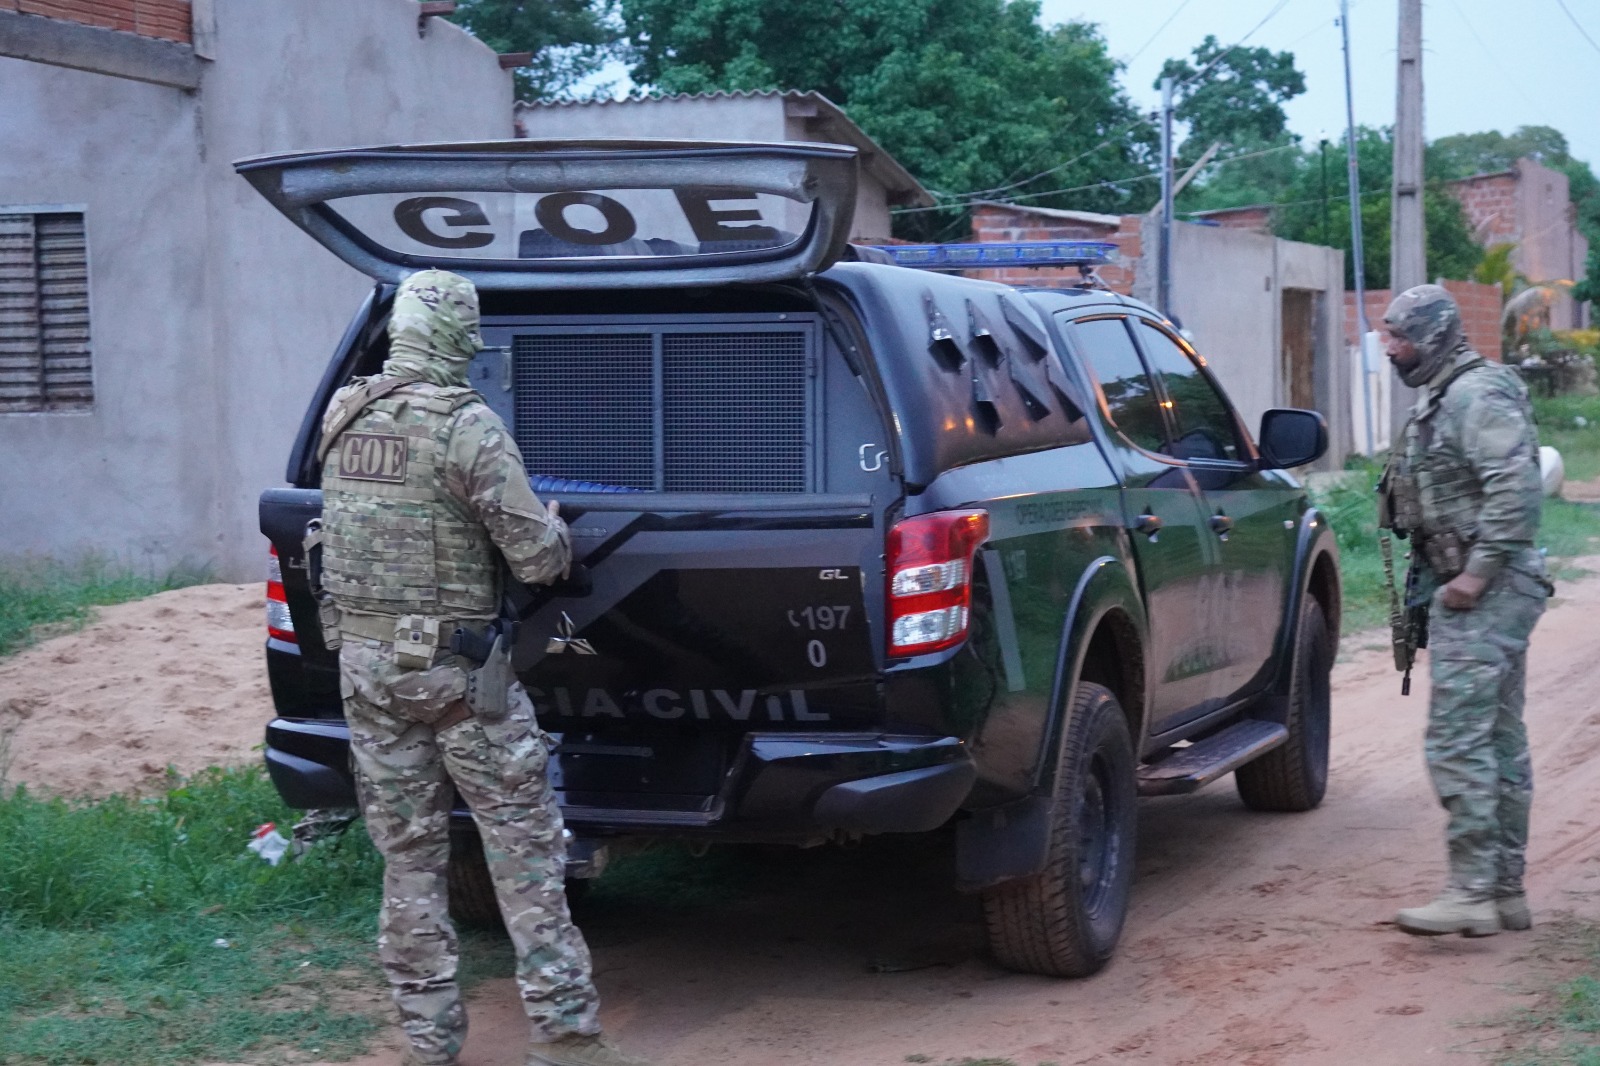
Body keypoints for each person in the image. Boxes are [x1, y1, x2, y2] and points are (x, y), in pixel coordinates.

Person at [316, 269, 647, 1066]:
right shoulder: (469, 428)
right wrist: (559, 529)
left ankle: (428, 1043)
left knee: (408, 859)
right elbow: (535, 560)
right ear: (459, 340)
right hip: (459, 679)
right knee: (525, 853)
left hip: (365, 673)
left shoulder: (344, 411)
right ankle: (566, 1037)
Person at [1378, 284, 1553, 938]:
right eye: (1387, 336)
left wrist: (1474, 577)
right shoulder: (1448, 393)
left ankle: (1471, 891)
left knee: (1457, 740)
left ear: (1438, 334)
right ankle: (1505, 893)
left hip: (1486, 588)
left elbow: (1517, 487)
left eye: (1400, 336)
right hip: (1481, 584)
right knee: (1499, 739)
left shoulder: (1477, 395)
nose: (1391, 349)